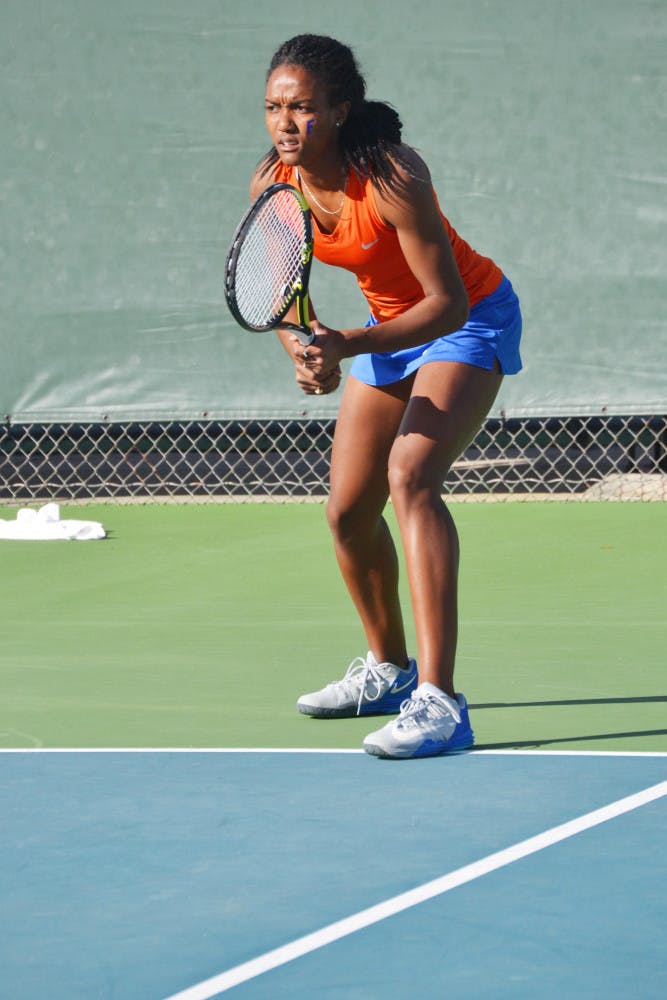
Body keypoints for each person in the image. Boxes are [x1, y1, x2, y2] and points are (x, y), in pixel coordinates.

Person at [249, 34, 522, 759]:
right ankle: (389, 673)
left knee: (411, 477)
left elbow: (447, 303)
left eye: (302, 107)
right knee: (345, 510)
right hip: (382, 330)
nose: (285, 122)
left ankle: (440, 703)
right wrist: (305, 352)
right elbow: (277, 293)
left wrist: (346, 346)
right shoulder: (274, 185)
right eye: (274, 107)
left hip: (465, 317)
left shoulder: (393, 176)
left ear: (338, 111)